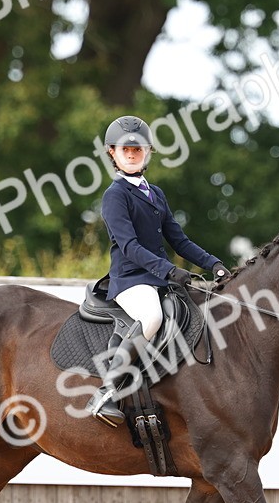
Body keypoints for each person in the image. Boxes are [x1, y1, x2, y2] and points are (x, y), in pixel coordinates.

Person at [86, 115, 230, 426]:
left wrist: (214, 263)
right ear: (112, 152)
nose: (133, 153)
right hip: (129, 280)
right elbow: (130, 247)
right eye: (126, 149)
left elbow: (179, 240)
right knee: (151, 317)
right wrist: (168, 271)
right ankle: (108, 390)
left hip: (157, 278)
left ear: (148, 151)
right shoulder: (115, 195)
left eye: (138, 149)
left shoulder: (156, 194)